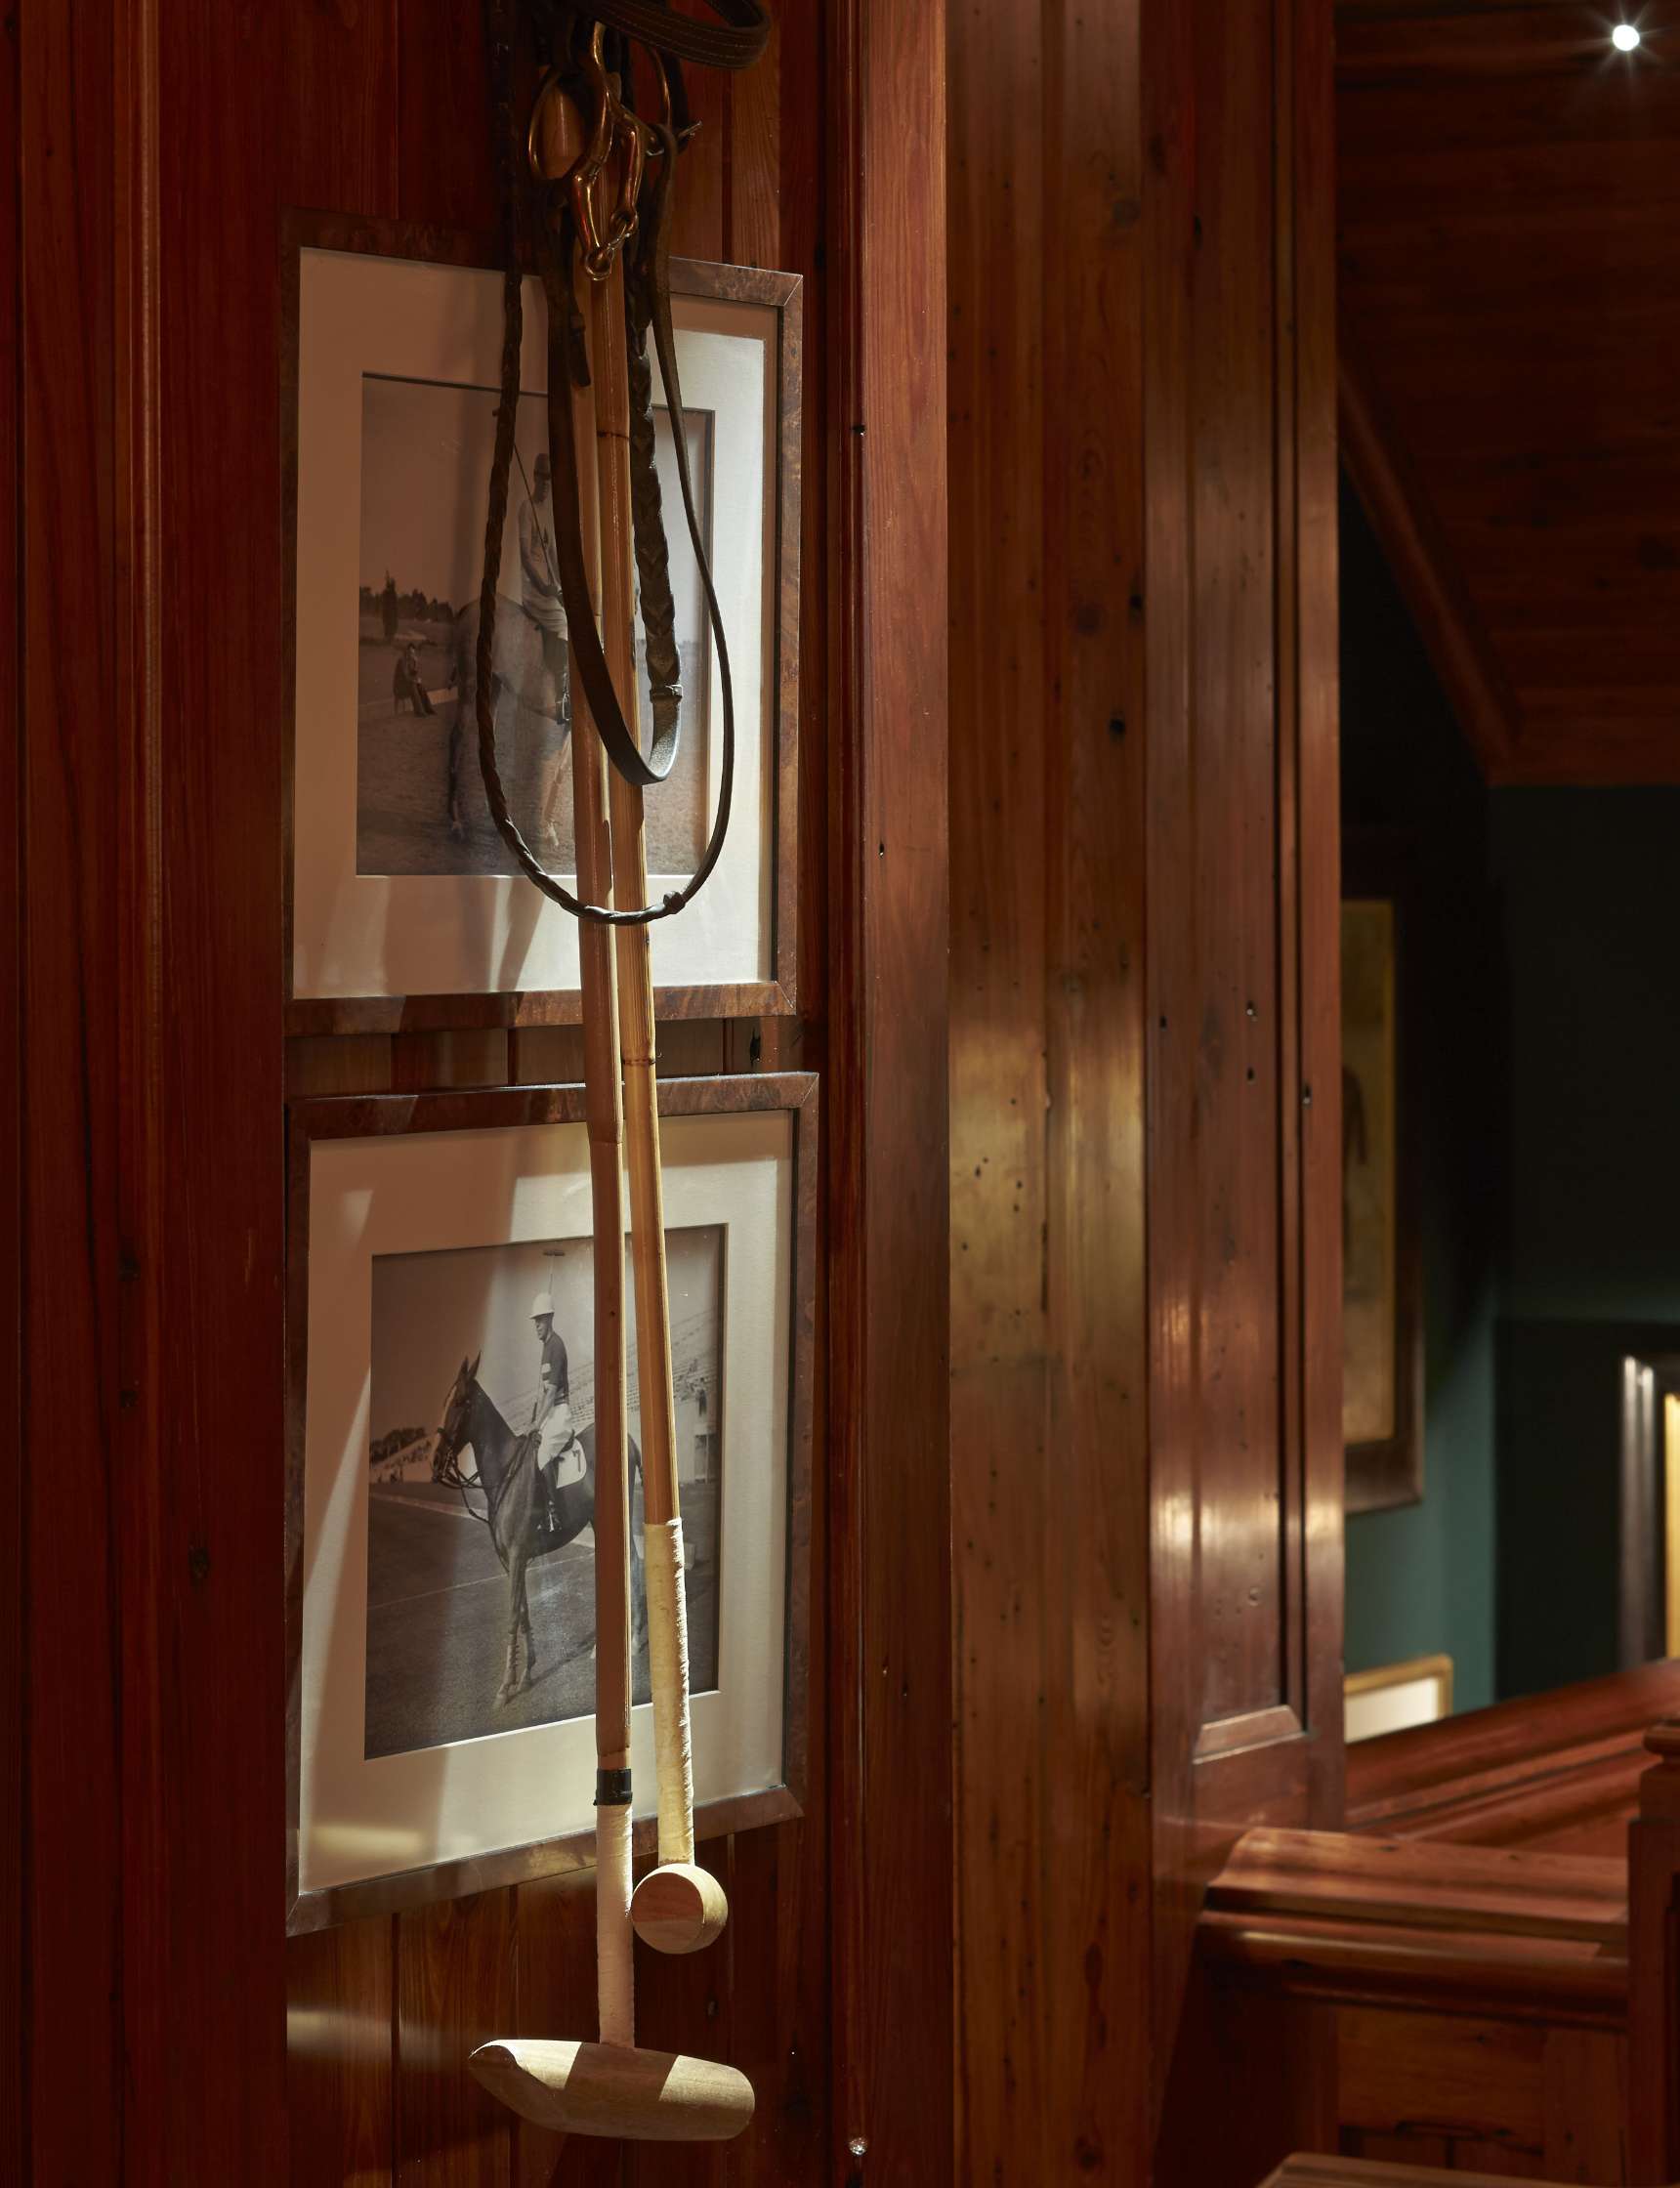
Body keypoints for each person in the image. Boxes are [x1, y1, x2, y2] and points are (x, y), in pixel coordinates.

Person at [518, 453, 570, 853]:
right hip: (532, 592)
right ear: (535, 478)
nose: (546, 484)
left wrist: (562, 586)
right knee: (561, 627)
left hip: (550, 588)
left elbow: (551, 557)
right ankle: (560, 695)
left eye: (550, 479)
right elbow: (527, 556)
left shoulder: (550, 515)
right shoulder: (525, 509)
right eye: (543, 478)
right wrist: (546, 587)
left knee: (569, 615)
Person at [528, 1289, 578, 1525]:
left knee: (543, 1455)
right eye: (535, 1320)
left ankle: (554, 1512)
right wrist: (534, 1420)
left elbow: (551, 1395)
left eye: (539, 1319)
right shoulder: (544, 1348)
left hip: (560, 1413)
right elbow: (542, 1391)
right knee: (531, 1450)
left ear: (549, 1319)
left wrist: (538, 1423)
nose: (536, 1325)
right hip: (550, 1413)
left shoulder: (556, 1346)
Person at [393, 640, 436, 716]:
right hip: (399, 687)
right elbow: (405, 676)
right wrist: (415, 681)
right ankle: (419, 712)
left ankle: (428, 708)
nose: (412, 654)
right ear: (406, 651)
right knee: (413, 685)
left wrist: (416, 663)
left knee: (420, 685)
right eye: (410, 652)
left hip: (406, 685)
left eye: (413, 653)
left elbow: (413, 674)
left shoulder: (410, 660)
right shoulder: (402, 661)